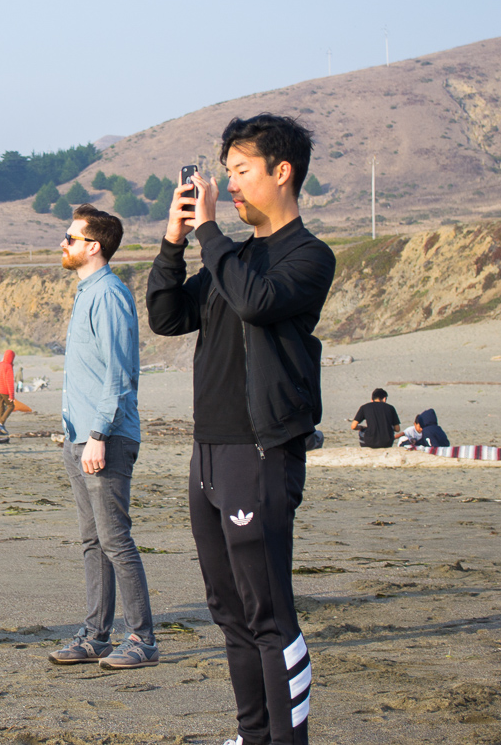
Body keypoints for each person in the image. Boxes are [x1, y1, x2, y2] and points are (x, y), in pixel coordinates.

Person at [148, 114, 333, 745]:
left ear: (283, 173)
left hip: (260, 451)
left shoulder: (309, 255)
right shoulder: (234, 256)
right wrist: (174, 242)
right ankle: (253, 735)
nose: (229, 185)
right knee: (229, 611)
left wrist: (208, 232)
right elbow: (169, 317)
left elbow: (256, 302)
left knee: (269, 613)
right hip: (208, 453)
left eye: (242, 171)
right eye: (225, 173)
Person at [48, 204, 157, 671]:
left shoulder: (109, 294)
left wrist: (97, 434)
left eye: (70, 237)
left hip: (104, 437)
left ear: (93, 246)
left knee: (115, 539)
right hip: (80, 436)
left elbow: (118, 374)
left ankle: (143, 640)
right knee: (92, 541)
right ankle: (95, 635)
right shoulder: (86, 292)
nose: (63, 244)